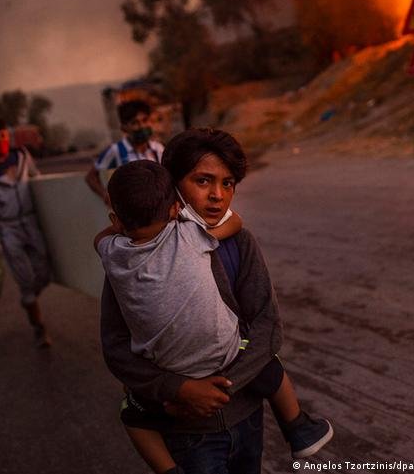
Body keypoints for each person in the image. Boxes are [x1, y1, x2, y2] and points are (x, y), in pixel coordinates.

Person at [102, 128, 320, 473]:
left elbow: (266, 325)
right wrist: (179, 389)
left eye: (228, 183)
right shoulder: (133, 262)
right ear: (171, 186)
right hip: (186, 434)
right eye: (203, 181)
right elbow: (116, 346)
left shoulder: (239, 244)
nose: (218, 196)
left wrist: (220, 390)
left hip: (247, 416)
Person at [0, 117, 52, 347]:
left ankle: (29, 298)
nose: (1, 141)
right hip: (8, 228)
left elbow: (38, 180)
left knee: (44, 270)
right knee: (25, 278)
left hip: (31, 222)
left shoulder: (22, 155)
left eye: (3, 136)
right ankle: (39, 326)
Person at [85, 99, 165, 205]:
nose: (141, 126)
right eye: (135, 123)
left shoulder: (158, 149)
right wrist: (105, 195)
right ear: (124, 127)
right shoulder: (116, 150)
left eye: (145, 120)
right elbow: (91, 176)